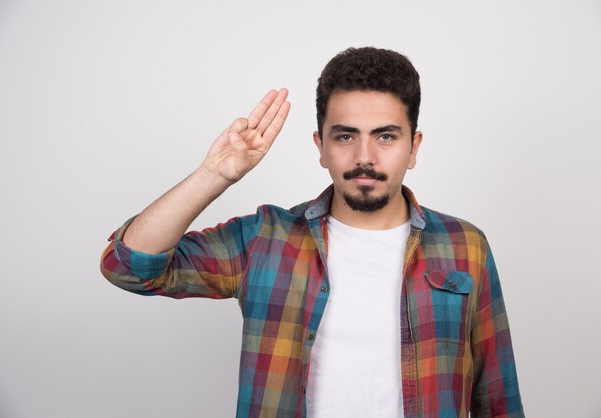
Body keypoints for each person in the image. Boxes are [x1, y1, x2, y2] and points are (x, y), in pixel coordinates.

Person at [100, 47, 524, 417]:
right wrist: (214, 175)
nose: (364, 157)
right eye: (345, 136)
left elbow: (498, 400)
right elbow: (129, 266)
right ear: (320, 146)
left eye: (386, 137)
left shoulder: (465, 246)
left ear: (413, 148)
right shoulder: (266, 239)